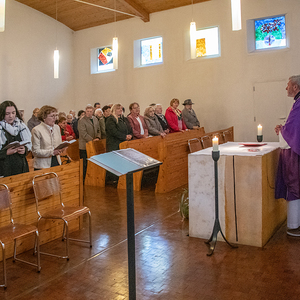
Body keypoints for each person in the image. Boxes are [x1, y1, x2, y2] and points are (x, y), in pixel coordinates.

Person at [275, 75, 300, 237]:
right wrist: (285, 128)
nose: (286, 88)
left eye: (288, 85)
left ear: (296, 87)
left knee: (295, 186)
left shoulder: (298, 105)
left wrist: (281, 130)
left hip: (295, 155)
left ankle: (294, 226)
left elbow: (292, 133)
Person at [0, 101, 32, 177]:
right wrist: (6, 152)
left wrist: (24, 150)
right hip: (5, 170)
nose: (11, 116)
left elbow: (28, 146)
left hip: (21, 167)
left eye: (13, 113)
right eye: (7, 114)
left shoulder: (21, 126)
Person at [31, 105, 63, 169]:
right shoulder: (37, 130)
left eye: (56, 115)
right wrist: (52, 152)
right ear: (44, 117)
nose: (55, 118)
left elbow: (59, 143)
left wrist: (62, 148)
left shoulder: (56, 127)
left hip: (56, 161)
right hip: (42, 165)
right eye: (52, 116)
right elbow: (35, 151)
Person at [78, 104, 101, 181]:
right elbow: (83, 133)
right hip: (85, 145)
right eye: (87, 111)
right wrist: (91, 140)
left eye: (90, 111)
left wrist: (98, 137)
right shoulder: (82, 121)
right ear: (85, 111)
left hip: (94, 144)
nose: (89, 113)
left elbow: (98, 130)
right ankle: (84, 179)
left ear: (93, 112)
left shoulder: (95, 119)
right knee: (85, 163)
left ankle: (92, 178)